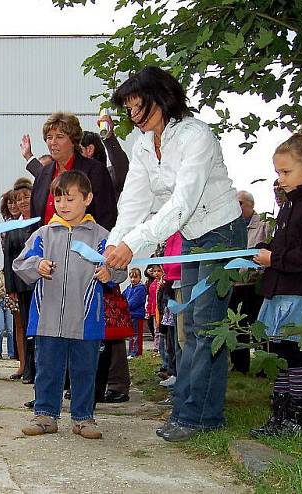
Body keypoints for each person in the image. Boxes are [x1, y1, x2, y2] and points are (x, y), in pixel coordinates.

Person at [103, 66, 246, 442]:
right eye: (129, 109)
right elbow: (133, 203)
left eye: (138, 107)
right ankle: (190, 409)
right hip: (192, 237)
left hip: (222, 234)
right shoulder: (142, 146)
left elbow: (183, 203)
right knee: (190, 330)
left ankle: (199, 416)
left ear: (162, 98)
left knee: (204, 326)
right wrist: (114, 248)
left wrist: (135, 246)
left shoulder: (196, 136)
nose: (133, 117)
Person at [13, 171, 126, 438]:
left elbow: (120, 268)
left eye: (71, 199)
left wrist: (111, 273)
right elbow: (20, 264)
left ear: (88, 199)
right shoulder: (44, 234)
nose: (63, 205)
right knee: (47, 369)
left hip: (86, 321)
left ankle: (83, 418)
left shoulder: (101, 236)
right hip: (47, 319)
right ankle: (45, 416)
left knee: (85, 371)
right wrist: (36, 265)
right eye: (59, 199)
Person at [249, 122, 302, 437]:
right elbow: (285, 248)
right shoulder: (289, 206)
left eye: (285, 172)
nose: (280, 179)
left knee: (296, 357)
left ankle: (296, 421)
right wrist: (266, 251)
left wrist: (275, 259)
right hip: (282, 290)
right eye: (278, 172)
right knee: (282, 356)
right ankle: (279, 417)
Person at [228, 190, 270, 373]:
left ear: (251, 205)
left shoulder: (264, 226)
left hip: (255, 284)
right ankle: (239, 365)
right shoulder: (231, 227)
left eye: (240, 204)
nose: (237, 208)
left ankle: (263, 366)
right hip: (236, 284)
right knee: (237, 326)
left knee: (258, 325)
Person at [4, 178, 34, 382]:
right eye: (18, 199)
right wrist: (10, 286)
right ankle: (28, 369)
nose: (22, 202)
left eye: (26, 197)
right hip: (21, 285)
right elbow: (9, 258)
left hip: (42, 283)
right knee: (25, 326)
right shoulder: (13, 226)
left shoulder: (43, 221)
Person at [0, 269, 15, 359]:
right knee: (0, 329)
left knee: (10, 330)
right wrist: (5, 292)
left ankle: (11, 353)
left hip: (9, 304)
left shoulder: (12, 275)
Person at [124, 268, 146, 358]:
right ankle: (131, 351)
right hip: (130, 315)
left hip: (137, 315)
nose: (133, 279)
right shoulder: (129, 288)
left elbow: (134, 302)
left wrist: (125, 307)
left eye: (135, 277)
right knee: (131, 335)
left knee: (136, 335)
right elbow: (123, 296)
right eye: (131, 277)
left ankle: (135, 352)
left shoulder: (140, 289)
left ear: (140, 277)